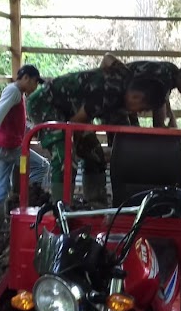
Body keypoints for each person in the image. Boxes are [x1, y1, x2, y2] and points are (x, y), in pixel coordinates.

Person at [26, 65, 166, 208]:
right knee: (65, 153)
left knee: (95, 155)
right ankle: (60, 208)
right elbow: (75, 123)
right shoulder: (108, 92)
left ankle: (95, 205)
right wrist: (74, 143)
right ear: (137, 97)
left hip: (70, 112)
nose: (141, 113)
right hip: (44, 104)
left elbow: (121, 136)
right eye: (143, 109)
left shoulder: (123, 97)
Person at [99, 53, 181, 192]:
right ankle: (94, 158)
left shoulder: (170, 71)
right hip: (116, 102)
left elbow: (164, 108)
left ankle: (123, 193)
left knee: (129, 147)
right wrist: (177, 153)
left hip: (126, 104)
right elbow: (159, 126)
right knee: (124, 150)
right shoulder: (163, 80)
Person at [0, 64, 50, 229]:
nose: (34, 87)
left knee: (2, 184)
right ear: (25, 78)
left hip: (3, 147)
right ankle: (28, 200)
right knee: (42, 165)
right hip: (8, 148)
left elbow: (17, 121)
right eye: (34, 82)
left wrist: (30, 130)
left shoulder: (17, 94)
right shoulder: (13, 91)